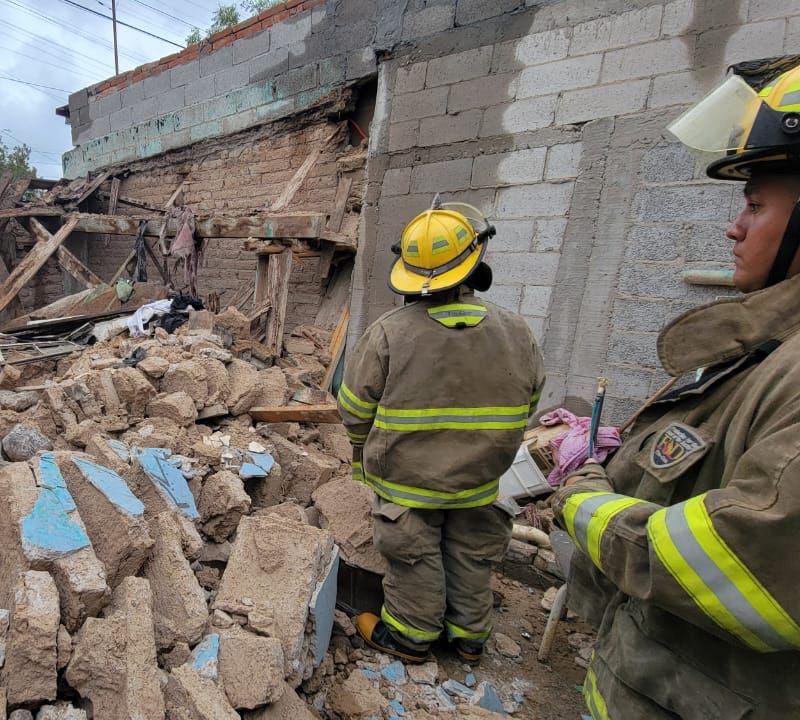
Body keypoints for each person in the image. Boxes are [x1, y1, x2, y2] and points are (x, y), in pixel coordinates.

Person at [549, 63, 800, 719]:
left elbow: (746, 568)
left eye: (754, 204)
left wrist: (585, 500)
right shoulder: (762, 350)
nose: (734, 228)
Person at [339, 199, 545, 664]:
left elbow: (353, 410)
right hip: (480, 481)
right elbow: (529, 404)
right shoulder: (518, 332)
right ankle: (469, 638)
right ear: (476, 263)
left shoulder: (389, 333)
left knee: (414, 556)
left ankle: (412, 637)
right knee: (472, 555)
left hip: (407, 482)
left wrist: (366, 451)